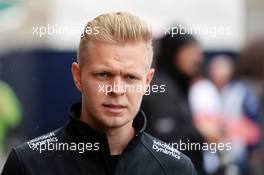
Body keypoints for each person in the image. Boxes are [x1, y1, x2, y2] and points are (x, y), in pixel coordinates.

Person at [1, 12, 197, 175]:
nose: (117, 89)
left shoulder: (176, 168)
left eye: (130, 77)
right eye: (103, 74)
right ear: (78, 76)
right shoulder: (28, 164)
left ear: (147, 82)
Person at [142, 27, 206, 175]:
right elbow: (165, 145)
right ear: (173, 53)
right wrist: (200, 134)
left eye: (197, 52)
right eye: (189, 52)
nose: (197, 59)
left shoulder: (178, 86)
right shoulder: (161, 90)